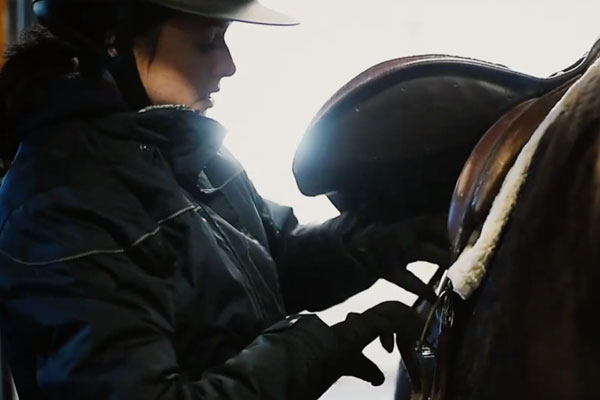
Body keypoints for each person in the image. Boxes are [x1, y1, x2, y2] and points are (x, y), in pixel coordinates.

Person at [0, 0, 451, 398]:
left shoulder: (179, 147)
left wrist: (379, 242)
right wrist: (313, 349)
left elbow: (272, 263)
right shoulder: (59, 208)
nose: (228, 64)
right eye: (206, 43)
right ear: (114, 40)